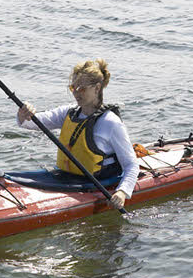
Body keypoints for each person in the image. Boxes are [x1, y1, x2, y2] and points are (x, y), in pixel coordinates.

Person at [17, 59, 138, 210]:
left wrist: (122, 192)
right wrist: (24, 113)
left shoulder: (110, 122)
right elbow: (32, 123)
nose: (75, 93)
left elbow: (131, 165)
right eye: (73, 87)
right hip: (66, 178)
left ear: (97, 88)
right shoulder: (68, 113)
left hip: (97, 182)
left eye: (81, 88)